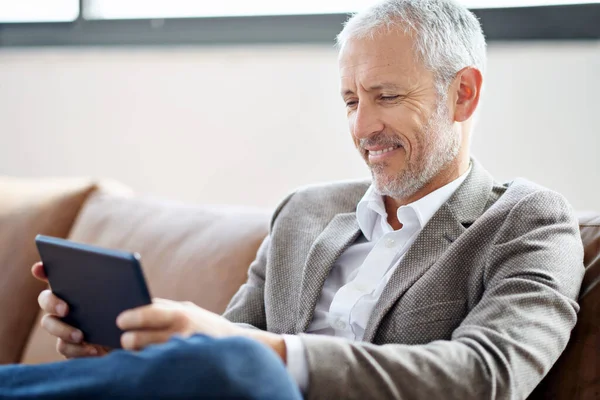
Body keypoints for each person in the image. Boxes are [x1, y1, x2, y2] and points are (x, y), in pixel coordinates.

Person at [1, 0, 585, 399]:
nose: (363, 127)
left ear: (463, 94)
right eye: (351, 101)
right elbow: (212, 366)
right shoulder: (304, 213)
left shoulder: (527, 223)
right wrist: (125, 354)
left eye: (385, 95)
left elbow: (487, 377)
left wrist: (275, 355)